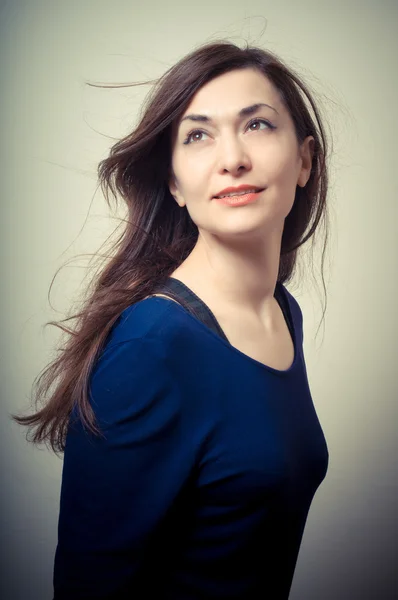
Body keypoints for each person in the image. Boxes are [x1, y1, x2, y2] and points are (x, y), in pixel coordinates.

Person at [13, 40, 330, 599]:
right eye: (198, 135)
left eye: (257, 125)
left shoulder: (282, 313)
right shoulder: (151, 347)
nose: (232, 158)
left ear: (304, 160)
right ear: (176, 184)